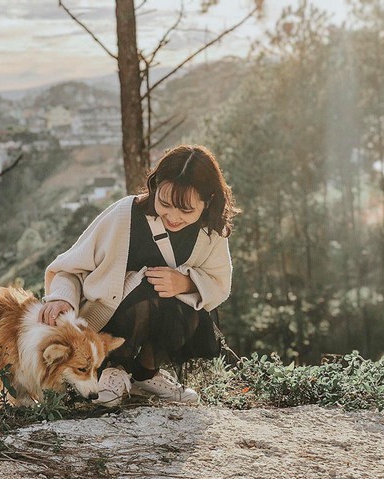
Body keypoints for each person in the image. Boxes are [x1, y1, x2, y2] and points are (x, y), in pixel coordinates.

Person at [39, 145, 239, 406]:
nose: (173, 216)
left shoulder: (211, 234)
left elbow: (220, 285)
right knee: (147, 286)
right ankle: (113, 369)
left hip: (165, 322)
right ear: (155, 186)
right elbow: (70, 268)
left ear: (209, 201)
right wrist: (62, 299)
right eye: (165, 203)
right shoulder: (124, 215)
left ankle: (146, 374)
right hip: (106, 325)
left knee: (185, 302)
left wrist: (187, 282)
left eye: (186, 210)